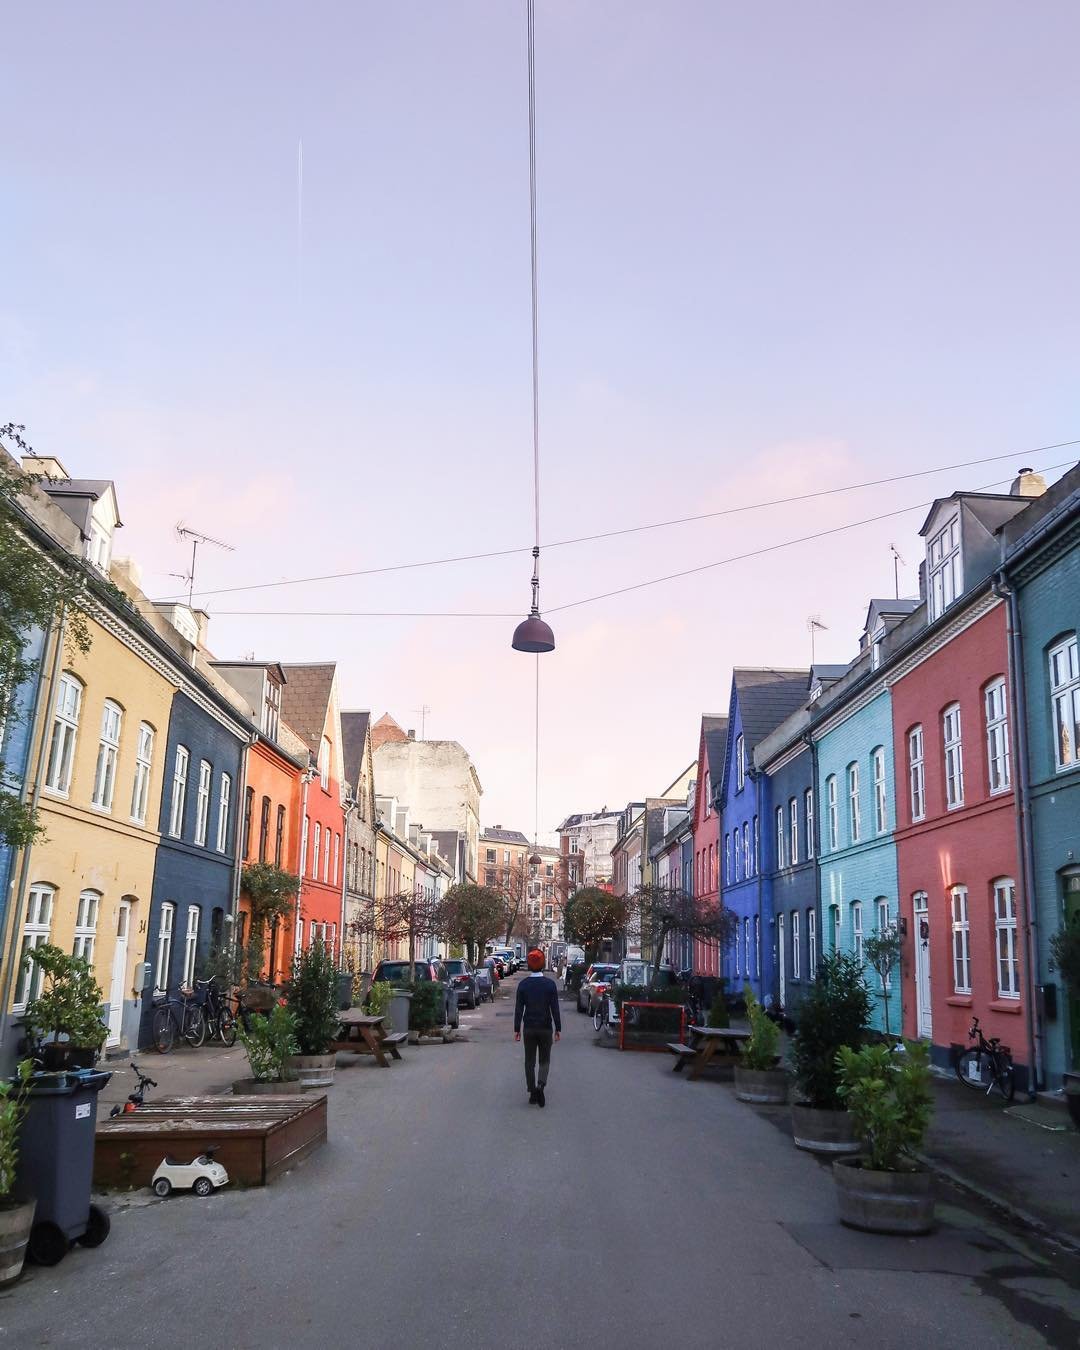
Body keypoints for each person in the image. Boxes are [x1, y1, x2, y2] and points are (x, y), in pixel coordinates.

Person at [513, 948, 561, 1107]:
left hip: (529, 1027)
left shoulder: (524, 985)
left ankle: (532, 1090)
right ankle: (541, 1085)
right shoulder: (550, 985)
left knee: (529, 1061)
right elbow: (554, 1008)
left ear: (529, 965)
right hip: (546, 1027)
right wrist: (558, 1028)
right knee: (544, 1060)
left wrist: (517, 1029)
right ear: (542, 964)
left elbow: (519, 1009)